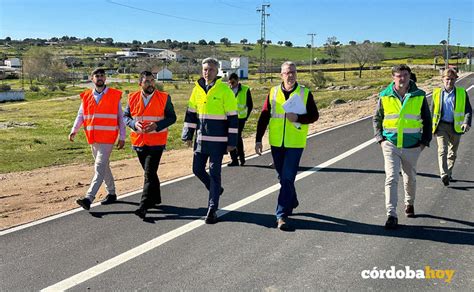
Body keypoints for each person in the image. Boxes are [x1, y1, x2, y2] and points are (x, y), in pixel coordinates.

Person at [255, 61, 319, 231]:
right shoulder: (273, 92)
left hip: (295, 143)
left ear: (296, 74)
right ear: (281, 75)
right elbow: (264, 116)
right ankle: (291, 199)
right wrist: (258, 139)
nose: (290, 75)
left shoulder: (305, 93)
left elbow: (314, 115)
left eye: (293, 72)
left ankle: (281, 215)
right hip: (276, 142)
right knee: (283, 178)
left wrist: (298, 118)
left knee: (287, 177)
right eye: (287, 72)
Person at [373, 64, 432, 230]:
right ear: (393, 77)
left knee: (410, 178)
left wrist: (424, 142)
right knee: (391, 177)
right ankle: (391, 215)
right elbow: (377, 118)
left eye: (405, 75)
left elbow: (427, 120)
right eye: (399, 75)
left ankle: (409, 203)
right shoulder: (384, 95)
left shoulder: (419, 95)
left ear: (409, 76)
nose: (402, 78)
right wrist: (380, 139)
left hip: (413, 146)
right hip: (390, 144)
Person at [182, 58, 238, 224]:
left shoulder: (224, 90)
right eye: (205, 69)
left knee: (215, 173)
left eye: (211, 70)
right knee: (197, 169)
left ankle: (212, 208)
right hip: (200, 141)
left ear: (217, 71)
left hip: (218, 142)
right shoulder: (197, 90)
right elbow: (191, 113)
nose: (208, 72)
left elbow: (233, 119)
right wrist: (188, 134)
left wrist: (232, 142)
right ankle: (216, 190)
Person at [69, 68, 125, 210]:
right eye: (96, 76)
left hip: (108, 138)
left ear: (105, 78)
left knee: (99, 167)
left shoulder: (114, 95)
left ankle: (89, 198)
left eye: (102, 76)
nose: (99, 78)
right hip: (93, 138)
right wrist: (74, 130)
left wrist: (122, 137)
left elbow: (121, 118)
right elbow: (80, 115)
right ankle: (111, 193)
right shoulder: (87, 96)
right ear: (92, 78)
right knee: (104, 167)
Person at [123, 71, 176, 219]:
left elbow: (172, 117)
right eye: (147, 81)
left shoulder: (164, 97)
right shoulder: (132, 97)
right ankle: (156, 198)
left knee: (148, 173)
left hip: (157, 142)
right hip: (139, 142)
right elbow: (125, 116)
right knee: (150, 173)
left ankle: (143, 205)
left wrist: (157, 125)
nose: (151, 84)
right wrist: (134, 123)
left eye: (152, 81)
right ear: (140, 83)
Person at [431, 68, 472, 186]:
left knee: (452, 153)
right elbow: (431, 111)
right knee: (442, 150)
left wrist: (466, 122)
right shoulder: (436, 93)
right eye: (447, 79)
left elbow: (468, 110)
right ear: (443, 79)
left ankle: (448, 173)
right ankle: (443, 173)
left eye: (452, 79)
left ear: (456, 80)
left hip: (456, 127)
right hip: (441, 126)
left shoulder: (461, 93)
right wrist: (429, 127)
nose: (449, 81)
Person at [227, 73, 253, 166]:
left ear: (237, 81)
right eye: (229, 83)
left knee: (237, 137)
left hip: (240, 118)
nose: (231, 85)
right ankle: (234, 159)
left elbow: (250, 105)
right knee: (230, 137)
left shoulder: (245, 89)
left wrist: (246, 117)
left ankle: (241, 157)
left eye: (233, 83)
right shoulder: (227, 90)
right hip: (229, 118)